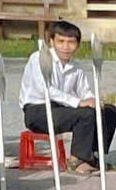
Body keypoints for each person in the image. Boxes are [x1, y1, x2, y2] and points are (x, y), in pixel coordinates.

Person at [21, 19, 116, 174]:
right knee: (86, 113)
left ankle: (92, 156)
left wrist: (94, 101)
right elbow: (46, 89)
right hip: (37, 111)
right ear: (51, 41)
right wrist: (79, 102)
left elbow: (84, 91)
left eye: (71, 42)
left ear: (77, 44)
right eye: (61, 41)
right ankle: (77, 161)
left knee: (108, 111)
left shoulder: (75, 66)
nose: (66, 47)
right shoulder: (39, 58)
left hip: (62, 110)